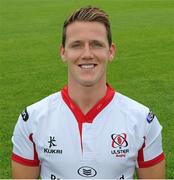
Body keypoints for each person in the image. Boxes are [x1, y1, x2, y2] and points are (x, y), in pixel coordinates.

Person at [11, 6, 165, 179]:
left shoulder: (143, 120)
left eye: (96, 44)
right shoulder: (32, 120)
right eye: (76, 45)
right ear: (63, 52)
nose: (87, 54)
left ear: (111, 51)